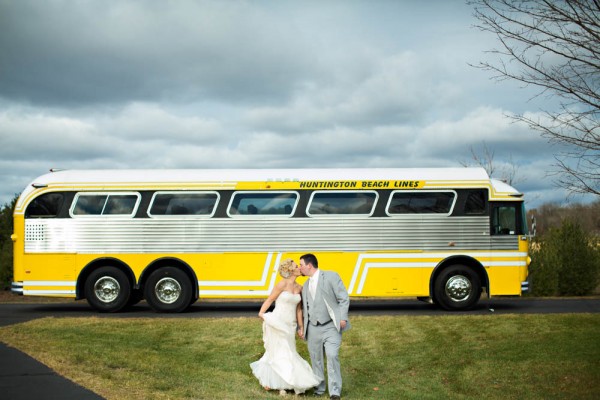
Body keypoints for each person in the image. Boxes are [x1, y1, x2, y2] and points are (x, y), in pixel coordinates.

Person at [250, 259, 321, 395]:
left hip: (290, 324)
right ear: (290, 270)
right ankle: (277, 381)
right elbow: (270, 299)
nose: (300, 268)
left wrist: (300, 327)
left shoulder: (300, 288)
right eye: (296, 266)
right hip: (278, 321)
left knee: (289, 350)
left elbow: (299, 309)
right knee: (280, 352)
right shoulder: (281, 284)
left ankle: (284, 380)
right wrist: (261, 313)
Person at [299, 253, 350, 400]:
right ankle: (319, 388)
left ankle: (335, 392)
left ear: (309, 265)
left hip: (331, 326)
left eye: (301, 265)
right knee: (316, 359)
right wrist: (301, 327)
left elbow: (343, 298)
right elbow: (305, 308)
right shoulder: (306, 285)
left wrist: (342, 318)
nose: (300, 268)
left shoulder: (331, 276)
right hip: (313, 327)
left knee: (332, 355)